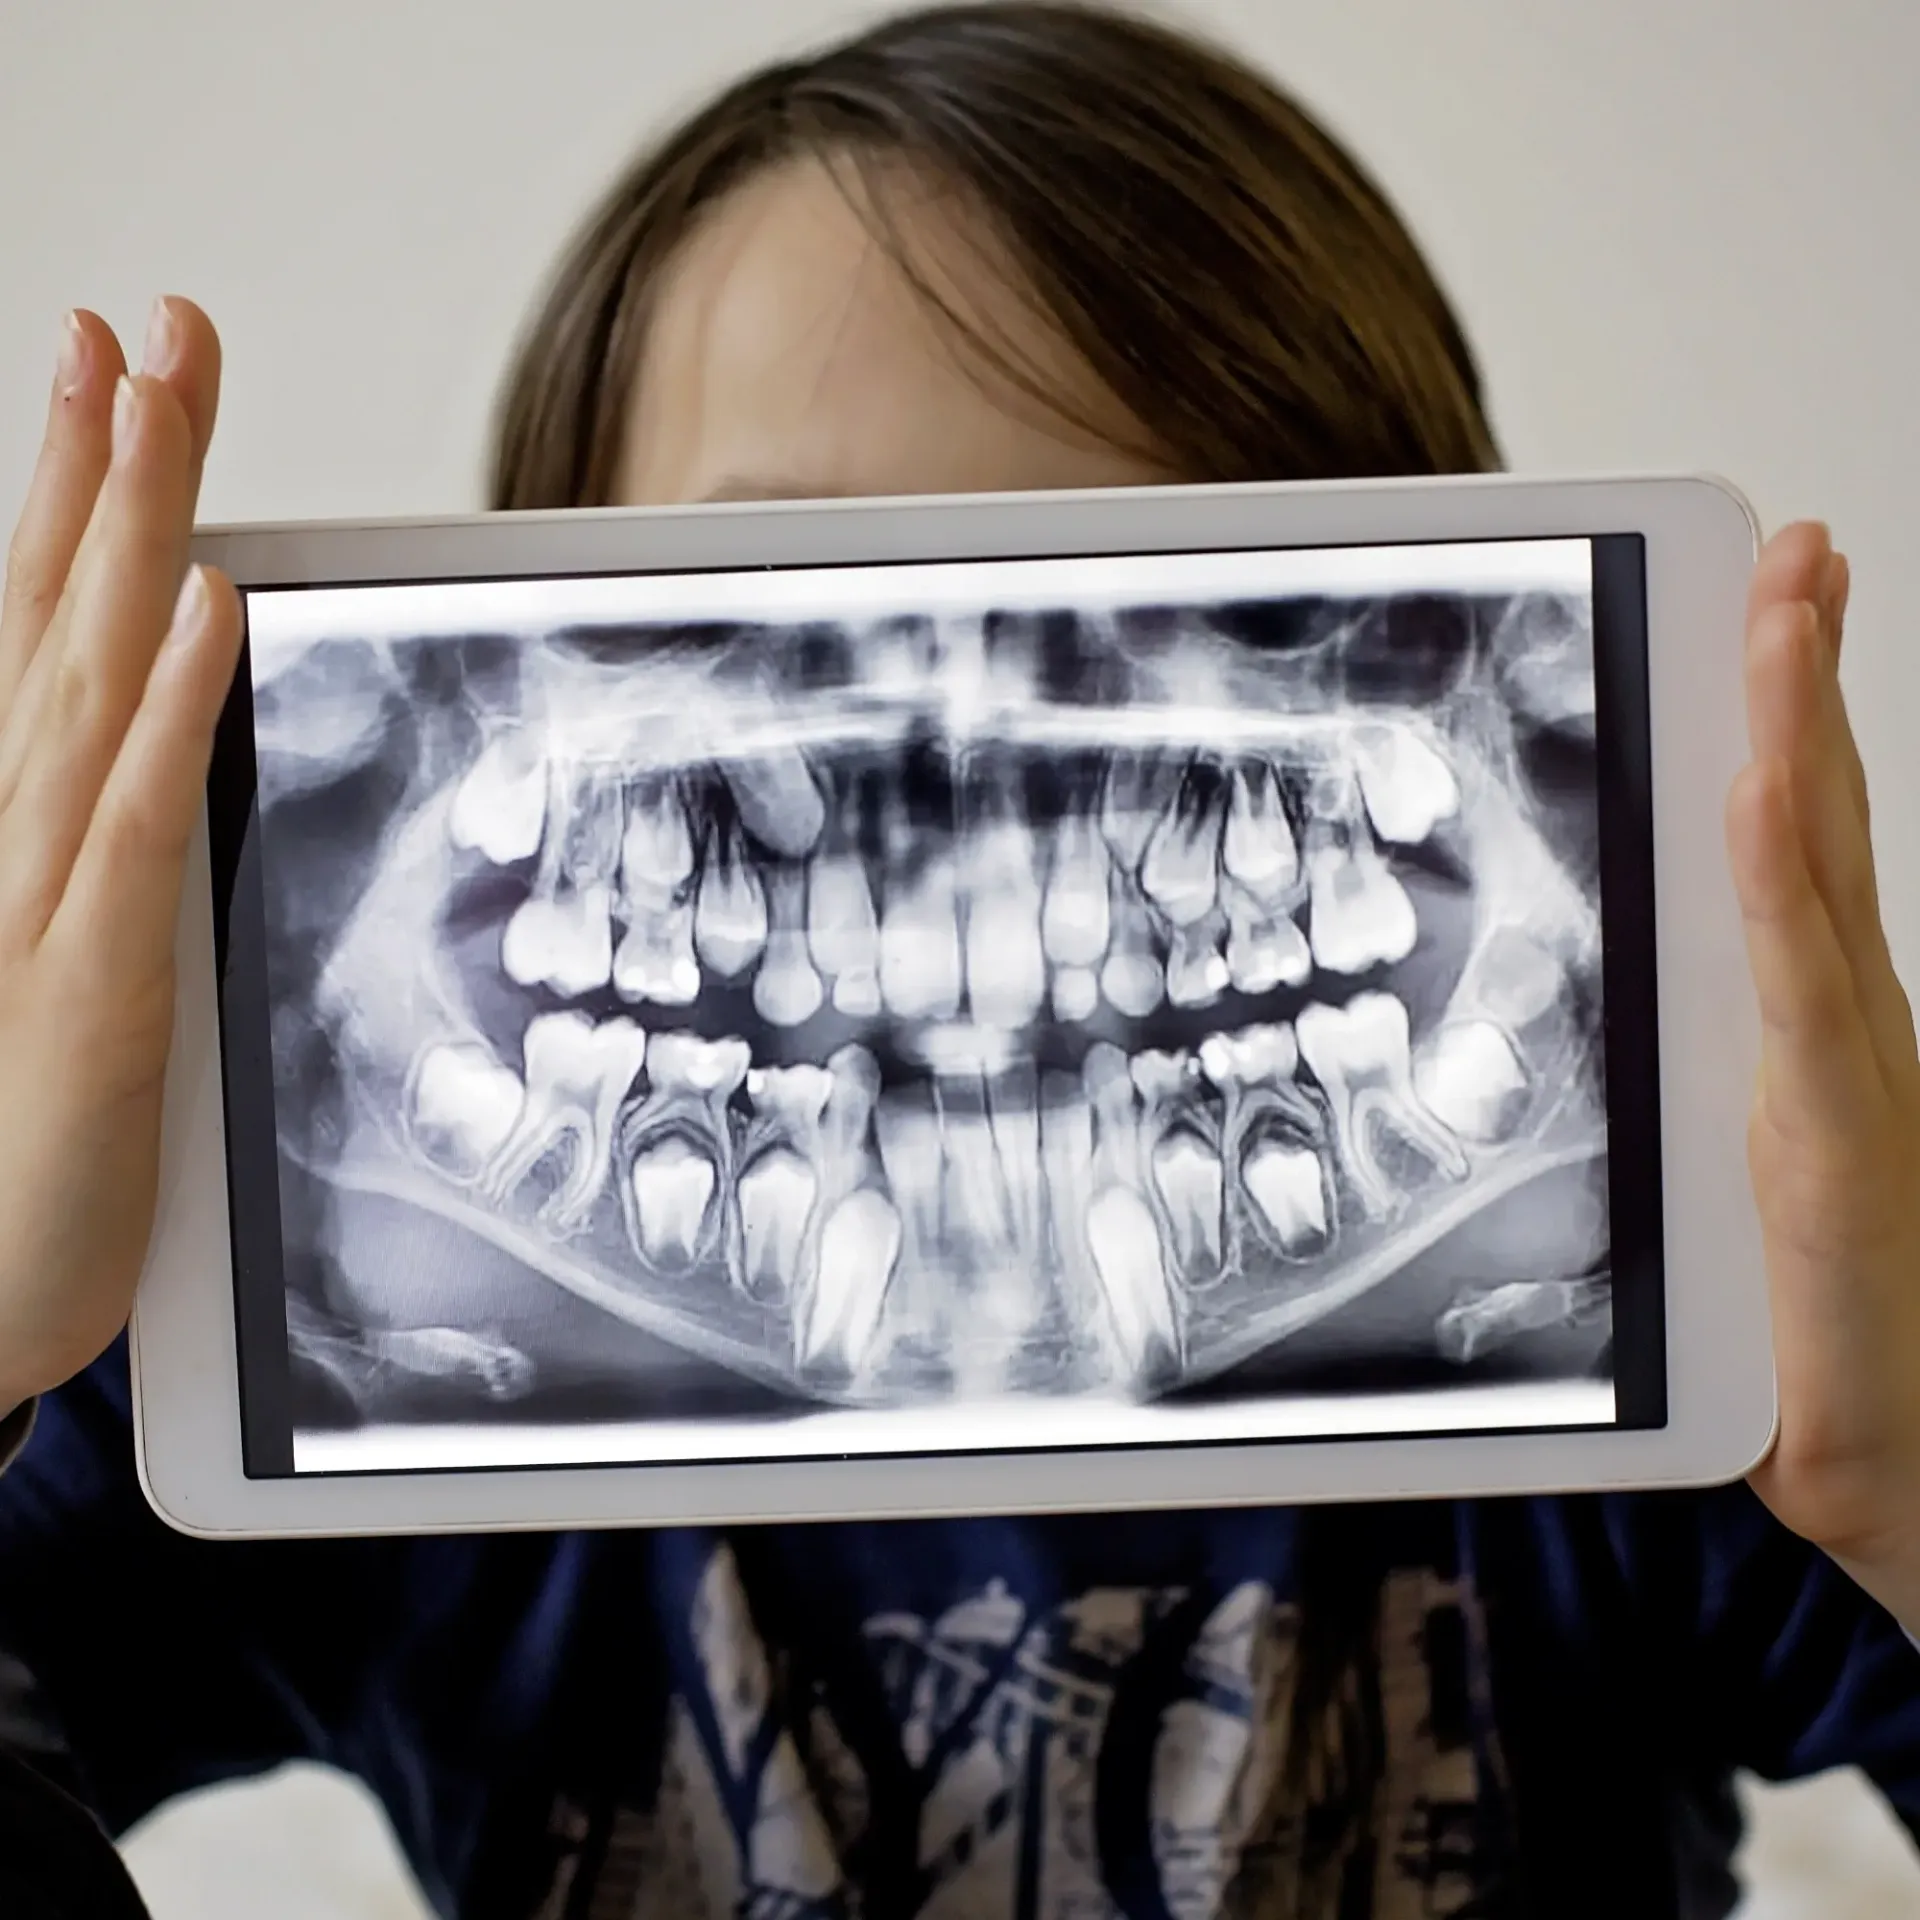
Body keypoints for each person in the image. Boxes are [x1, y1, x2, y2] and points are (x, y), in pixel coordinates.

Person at [3, 3, 1919, 1915]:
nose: (971, 747)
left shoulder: (1675, 1353)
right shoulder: (369, 1387)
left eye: (1189, 572)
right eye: (788, 585)